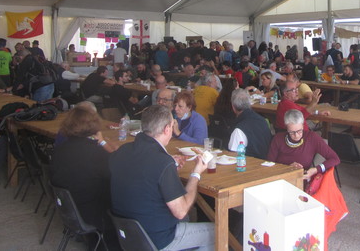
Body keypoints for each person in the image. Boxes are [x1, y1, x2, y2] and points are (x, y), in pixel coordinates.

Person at [110, 105, 214, 250]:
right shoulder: (162, 162)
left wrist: (169, 166)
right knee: (216, 231)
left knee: (187, 219)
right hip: (157, 239)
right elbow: (181, 211)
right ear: (167, 129)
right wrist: (196, 174)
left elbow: (143, 173)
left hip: (127, 234)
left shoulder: (122, 151)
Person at [50, 106, 118, 249]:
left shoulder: (59, 149)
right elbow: (115, 176)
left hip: (68, 208)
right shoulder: (96, 153)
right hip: (91, 212)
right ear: (94, 125)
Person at [268, 109, 340, 184]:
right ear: (286, 128)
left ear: (303, 125)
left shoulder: (312, 138)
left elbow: (335, 159)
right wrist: (288, 168)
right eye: (291, 132)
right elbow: (269, 164)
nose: (296, 135)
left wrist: (316, 169)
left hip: (301, 181)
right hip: (280, 179)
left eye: (299, 131)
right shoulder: (278, 139)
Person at [228, 89, 272, 159]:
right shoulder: (263, 121)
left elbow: (232, 157)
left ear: (233, 107)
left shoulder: (239, 129)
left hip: (249, 164)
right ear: (249, 104)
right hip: (266, 162)